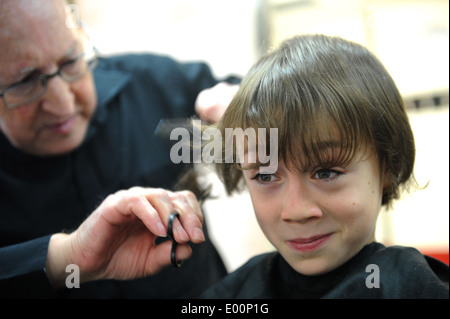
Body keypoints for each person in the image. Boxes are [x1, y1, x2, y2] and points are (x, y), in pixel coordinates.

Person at [0, 0, 239, 298]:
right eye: (25, 82)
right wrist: (64, 258)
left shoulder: (152, 85)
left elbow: (257, 108)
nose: (63, 105)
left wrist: (246, 104)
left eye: (70, 62)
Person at [199, 34, 449, 298]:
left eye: (325, 172)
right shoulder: (236, 294)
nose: (296, 211)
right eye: (266, 175)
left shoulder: (411, 287)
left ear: (387, 167)